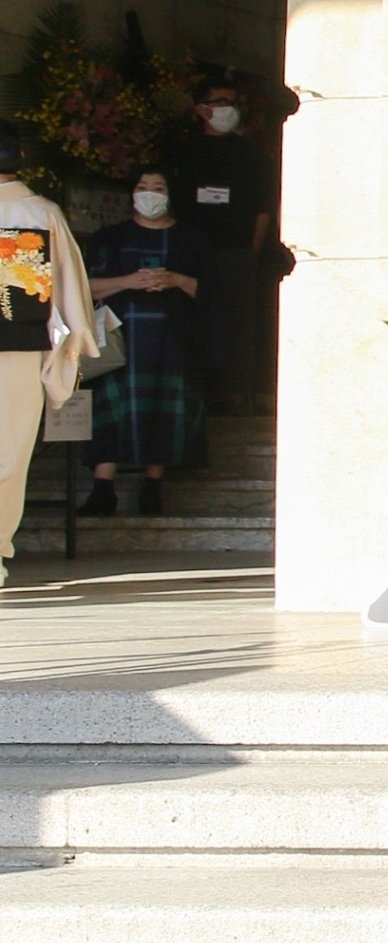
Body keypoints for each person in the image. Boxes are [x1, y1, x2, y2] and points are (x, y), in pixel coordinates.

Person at [82, 167, 213, 516]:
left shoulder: (191, 238)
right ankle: (102, 488)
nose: (150, 193)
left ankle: (153, 486)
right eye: (143, 186)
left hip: (173, 339)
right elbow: (86, 287)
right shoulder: (109, 237)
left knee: (163, 413)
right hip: (119, 340)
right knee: (111, 411)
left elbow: (212, 292)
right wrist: (128, 281)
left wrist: (175, 279)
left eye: (159, 186)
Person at [0, 122, 95, 590]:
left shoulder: (38, 213)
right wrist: (71, 344)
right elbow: (69, 292)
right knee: (7, 452)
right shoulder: (40, 214)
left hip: (14, 345)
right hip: (15, 350)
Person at [174, 75, 279, 410]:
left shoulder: (253, 155)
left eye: (232, 104)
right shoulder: (184, 152)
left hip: (236, 251)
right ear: (201, 108)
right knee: (191, 320)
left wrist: (251, 251)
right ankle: (195, 395)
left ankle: (238, 397)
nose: (227, 110)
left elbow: (264, 207)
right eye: (220, 102)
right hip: (188, 253)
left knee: (238, 323)